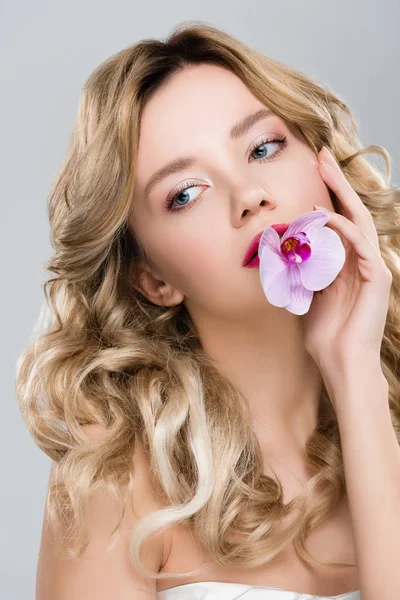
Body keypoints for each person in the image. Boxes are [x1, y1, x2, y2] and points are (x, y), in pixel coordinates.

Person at [15, 21, 400, 600]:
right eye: (185, 193)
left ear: (327, 173)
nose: (249, 194)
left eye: (264, 147)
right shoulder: (113, 479)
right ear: (154, 278)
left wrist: (357, 377)